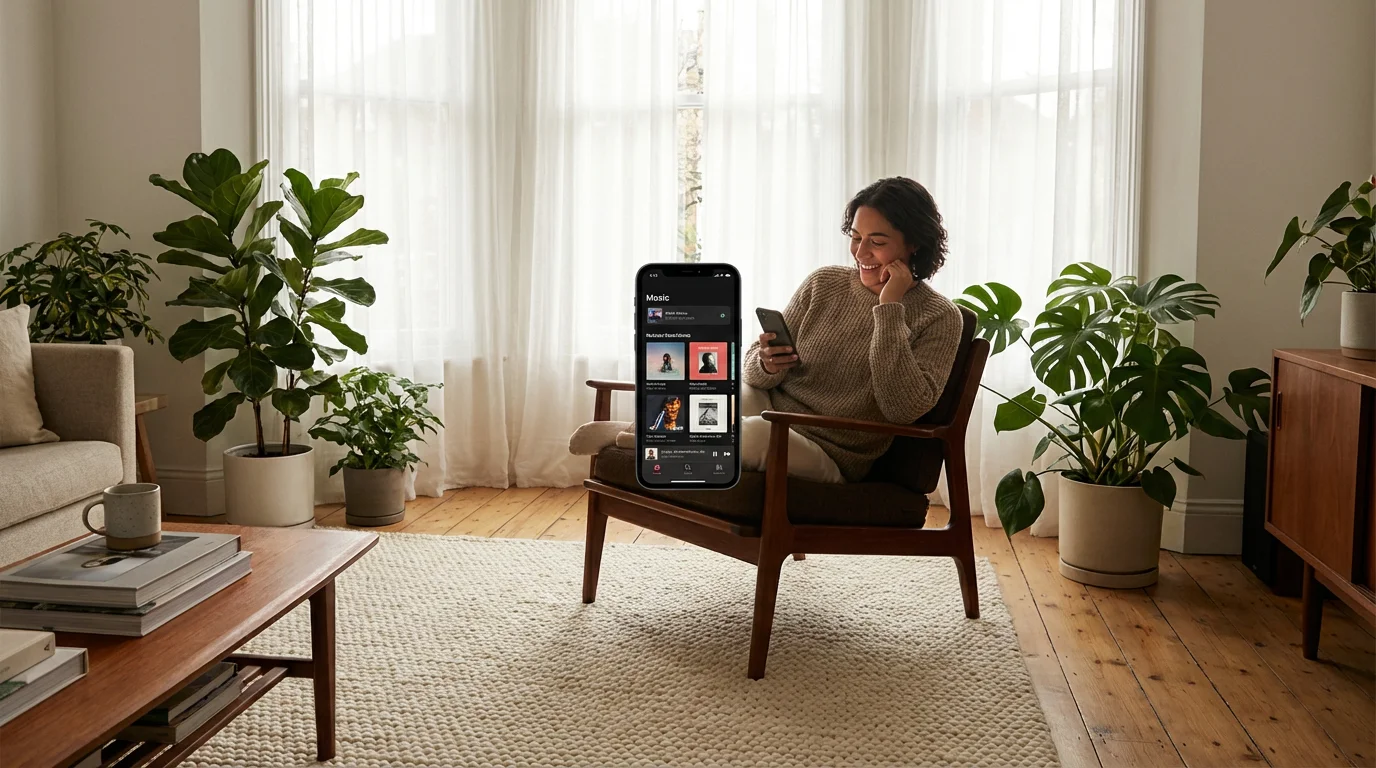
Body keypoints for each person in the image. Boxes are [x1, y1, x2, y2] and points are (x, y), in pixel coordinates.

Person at [739, 177, 964, 483]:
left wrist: (889, 309)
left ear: (914, 243)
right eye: (856, 237)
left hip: (830, 450)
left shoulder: (940, 317)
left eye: (877, 242)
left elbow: (902, 409)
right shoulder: (823, 282)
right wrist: (766, 363)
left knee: (750, 436)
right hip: (771, 411)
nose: (860, 252)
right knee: (708, 400)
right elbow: (753, 373)